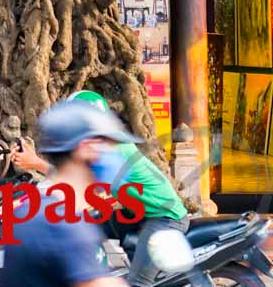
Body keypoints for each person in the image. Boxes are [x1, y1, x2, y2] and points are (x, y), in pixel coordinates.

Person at [11, 90, 188, 286]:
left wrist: (36, 163)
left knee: (138, 282)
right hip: (136, 212)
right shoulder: (58, 224)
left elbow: (87, 189)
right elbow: (80, 183)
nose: (108, 147)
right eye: (104, 140)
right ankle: (94, 266)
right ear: (86, 146)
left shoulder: (120, 151)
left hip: (164, 218)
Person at [0, 99, 135, 287]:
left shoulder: (32, 210)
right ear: (86, 148)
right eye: (109, 145)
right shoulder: (66, 225)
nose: (117, 155)